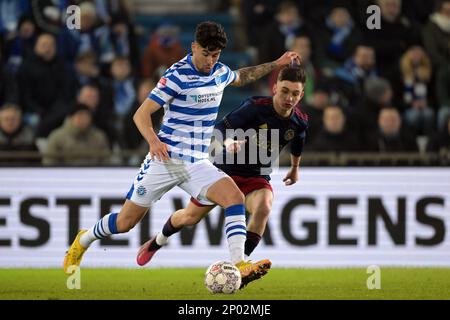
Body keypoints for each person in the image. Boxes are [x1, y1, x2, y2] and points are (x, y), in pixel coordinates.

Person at [64, 21, 299, 288]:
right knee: (125, 222)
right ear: (193, 47)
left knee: (233, 197)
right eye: (206, 54)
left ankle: (240, 264)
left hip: (197, 162)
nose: (211, 61)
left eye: (216, 55)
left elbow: (243, 76)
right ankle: (83, 240)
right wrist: (153, 141)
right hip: (164, 160)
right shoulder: (176, 75)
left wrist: (277, 63)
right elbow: (141, 114)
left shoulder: (219, 72)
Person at [138, 66, 308, 283]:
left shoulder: (300, 120)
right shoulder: (254, 107)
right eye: (285, 91)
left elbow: (298, 141)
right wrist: (229, 142)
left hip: (256, 178)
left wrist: (294, 168)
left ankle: (242, 266)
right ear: (275, 88)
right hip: (224, 172)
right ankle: (157, 241)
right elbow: (219, 129)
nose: (289, 98)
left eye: (295, 94)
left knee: (264, 207)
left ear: (301, 95)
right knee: (189, 218)